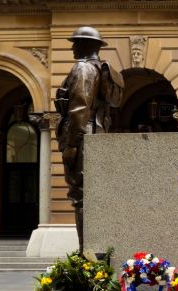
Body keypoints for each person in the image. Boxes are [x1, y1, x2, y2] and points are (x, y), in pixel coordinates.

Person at [55, 26, 121, 253]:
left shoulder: (83, 68)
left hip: (83, 136)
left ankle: (86, 253)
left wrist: (72, 145)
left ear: (85, 45)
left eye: (76, 42)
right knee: (89, 195)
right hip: (95, 134)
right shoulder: (98, 69)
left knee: (80, 196)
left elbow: (79, 108)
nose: (73, 47)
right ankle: (90, 252)